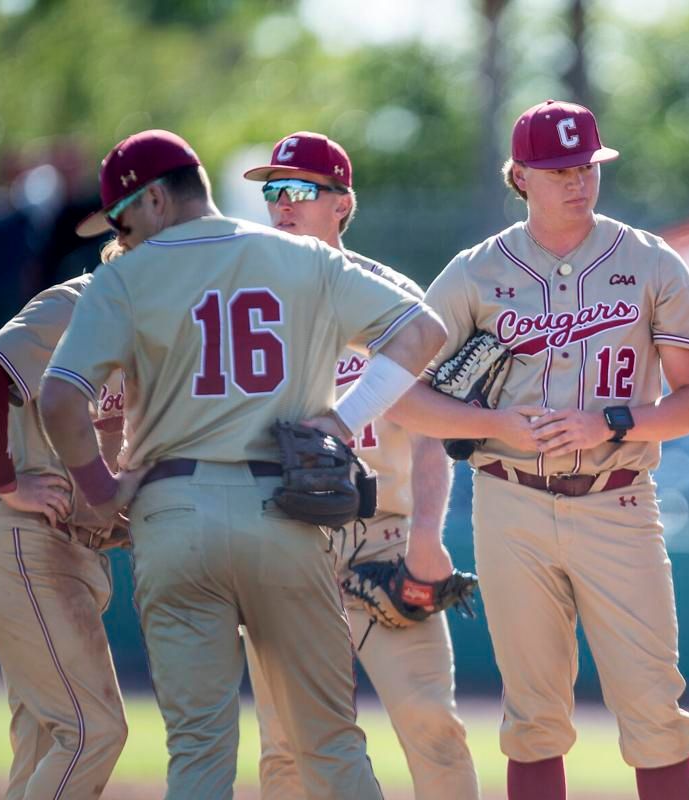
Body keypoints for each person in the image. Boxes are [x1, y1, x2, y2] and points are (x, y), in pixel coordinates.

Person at [36, 128, 446, 799]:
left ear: (159, 201)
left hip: (172, 518)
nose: (120, 231)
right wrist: (344, 418)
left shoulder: (124, 276)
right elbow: (424, 331)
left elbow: (60, 398)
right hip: (283, 514)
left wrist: (100, 488)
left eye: (123, 215)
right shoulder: (302, 258)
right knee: (330, 745)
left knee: (198, 751)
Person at [387, 99, 689, 800]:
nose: (578, 181)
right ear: (521, 177)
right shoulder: (475, 272)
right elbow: (402, 392)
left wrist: (613, 423)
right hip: (511, 502)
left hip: (619, 500)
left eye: (587, 165)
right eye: (559, 168)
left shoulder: (650, 260)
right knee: (533, 716)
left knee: (655, 709)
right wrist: (499, 425)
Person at [238, 131, 480, 799]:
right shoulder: (245, 309)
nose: (282, 203)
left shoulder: (394, 302)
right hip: (286, 545)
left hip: (385, 541)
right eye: (272, 191)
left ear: (343, 205)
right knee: (286, 749)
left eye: (300, 190)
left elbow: (432, 437)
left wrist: (429, 538)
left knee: (432, 723)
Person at [0, 242, 129, 799]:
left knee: (48, 738)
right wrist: (5, 483)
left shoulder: (150, 336)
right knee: (93, 731)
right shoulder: (78, 304)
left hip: (73, 552)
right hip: (27, 544)